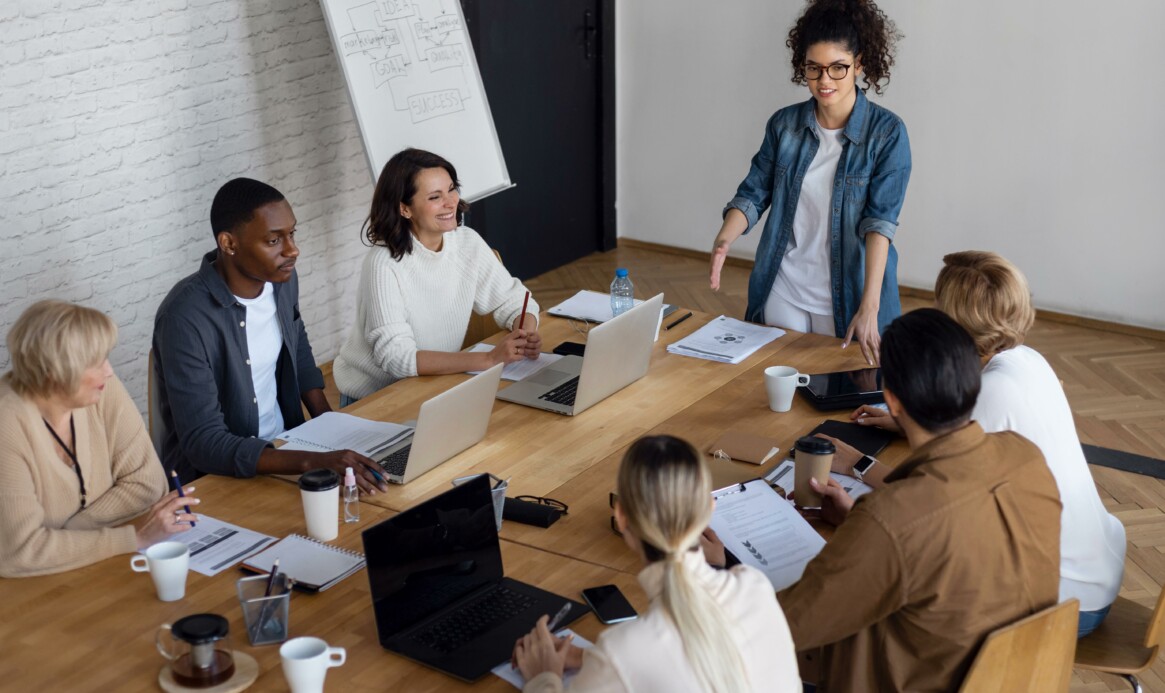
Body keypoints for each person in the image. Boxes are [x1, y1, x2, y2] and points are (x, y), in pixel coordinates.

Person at [835, 251, 1126, 637]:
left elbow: (925, 498)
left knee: (900, 591)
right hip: (1096, 566)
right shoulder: (1027, 360)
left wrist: (855, 462)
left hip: (1067, 601)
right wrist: (906, 420)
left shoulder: (992, 391)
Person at [776, 309, 1061, 691]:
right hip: (1021, 676)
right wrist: (858, 527)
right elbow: (955, 542)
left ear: (891, 401)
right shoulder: (1026, 456)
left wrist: (718, 573)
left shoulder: (891, 520)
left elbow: (788, 627)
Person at [512, 435, 800, 693]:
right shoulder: (755, 586)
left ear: (621, 517)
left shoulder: (623, 652)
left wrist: (543, 676)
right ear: (709, 510)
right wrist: (588, 658)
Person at [709, 0, 910, 365]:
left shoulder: (887, 134)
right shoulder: (785, 125)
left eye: (838, 68)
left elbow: (880, 224)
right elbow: (754, 192)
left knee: (841, 394)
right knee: (775, 386)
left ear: (859, 64)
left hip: (849, 293)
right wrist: (725, 239)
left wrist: (870, 305)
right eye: (814, 69)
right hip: (783, 286)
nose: (824, 81)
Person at [153, 178, 386, 494]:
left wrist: (334, 430)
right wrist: (308, 462)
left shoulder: (281, 280)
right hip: (220, 481)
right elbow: (204, 443)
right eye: (274, 241)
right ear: (229, 244)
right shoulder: (184, 317)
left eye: (292, 233)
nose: (293, 250)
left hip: (289, 446)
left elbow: (296, 344)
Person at [0, 301, 199, 577]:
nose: (109, 371)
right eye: (96, 363)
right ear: (55, 374)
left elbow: (149, 484)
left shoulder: (102, 390)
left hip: (89, 568)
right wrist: (133, 539)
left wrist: (64, 535)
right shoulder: (7, 425)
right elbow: (19, 552)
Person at [333, 148, 541, 404]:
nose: (451, 202)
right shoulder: (384, 264)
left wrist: (525, 334)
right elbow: (397, 357)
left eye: (451, 189)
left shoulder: (467, 242)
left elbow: (514, 300)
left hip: (434, 384)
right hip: (377, 398)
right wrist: (489, 359)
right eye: (435, 197)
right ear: (404, 208)